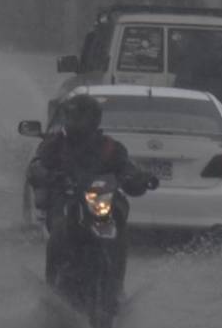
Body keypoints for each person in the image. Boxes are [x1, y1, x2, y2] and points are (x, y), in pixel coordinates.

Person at [27, 94, 155, 299]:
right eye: (70, 116)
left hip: (99, 203)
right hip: (66, 201)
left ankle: (116, 288)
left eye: (78, 116)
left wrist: (138, 178)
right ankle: (51, 290)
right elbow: (36, 166)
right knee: (58, 232)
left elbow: (126, 169)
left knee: (118, 224)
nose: (73, 121)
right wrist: (47, 174)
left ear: (94, 118)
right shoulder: (55, 144)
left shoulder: (110, 147)